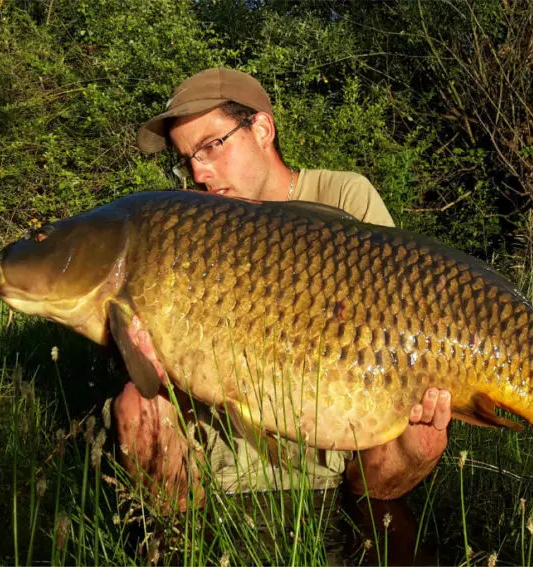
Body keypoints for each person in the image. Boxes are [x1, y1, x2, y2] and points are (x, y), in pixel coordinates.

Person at [114, 68, 453, 510]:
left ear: (262, 129)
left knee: (427, 437)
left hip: (336, 430)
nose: (198, 172)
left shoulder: (345, 197)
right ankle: (184, 534)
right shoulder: (188, 225)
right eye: (186, 158)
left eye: (211, 146)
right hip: (218, 447)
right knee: (134, 405)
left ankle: (361, 515)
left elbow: (403, 317)